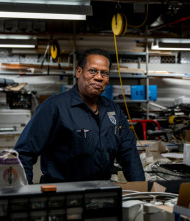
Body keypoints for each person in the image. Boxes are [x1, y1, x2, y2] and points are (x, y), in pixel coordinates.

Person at [14, 48, 145, 184]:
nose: (99, 77)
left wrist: (141, 192)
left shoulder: (113, 110)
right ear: (79, 72)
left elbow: (129, 153)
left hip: (102, 192)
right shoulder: (54, 107)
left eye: (104, 73)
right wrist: (25, 194)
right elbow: (24, 154)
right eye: (93, 71)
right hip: (62, 194)